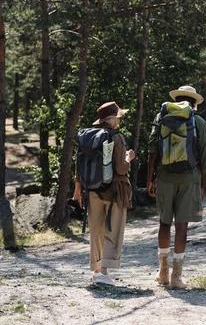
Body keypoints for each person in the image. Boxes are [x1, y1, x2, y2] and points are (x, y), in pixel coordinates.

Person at [147, 85, 206, 289]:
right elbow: (204, 157)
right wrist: (202, 185)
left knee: (164, 223)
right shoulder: (198, 121)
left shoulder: (161, 116)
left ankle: (163, 272)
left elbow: (153, 150)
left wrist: (150, 178)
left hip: (164, 177)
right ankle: (177, 276)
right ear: (194, 103)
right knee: (182, 226)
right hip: (189, 178)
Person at [73, 101, 135, 286]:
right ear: (113, 118)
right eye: (118, 117)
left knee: (96, 230)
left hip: (92, 190)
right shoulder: (117, 137)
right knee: (113, 229)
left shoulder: (87, 137)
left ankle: (97, 270)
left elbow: (78, 167)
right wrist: (128, 158)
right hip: (115, 190)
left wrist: (77, 192)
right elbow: (121, 168)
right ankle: (104, 272)